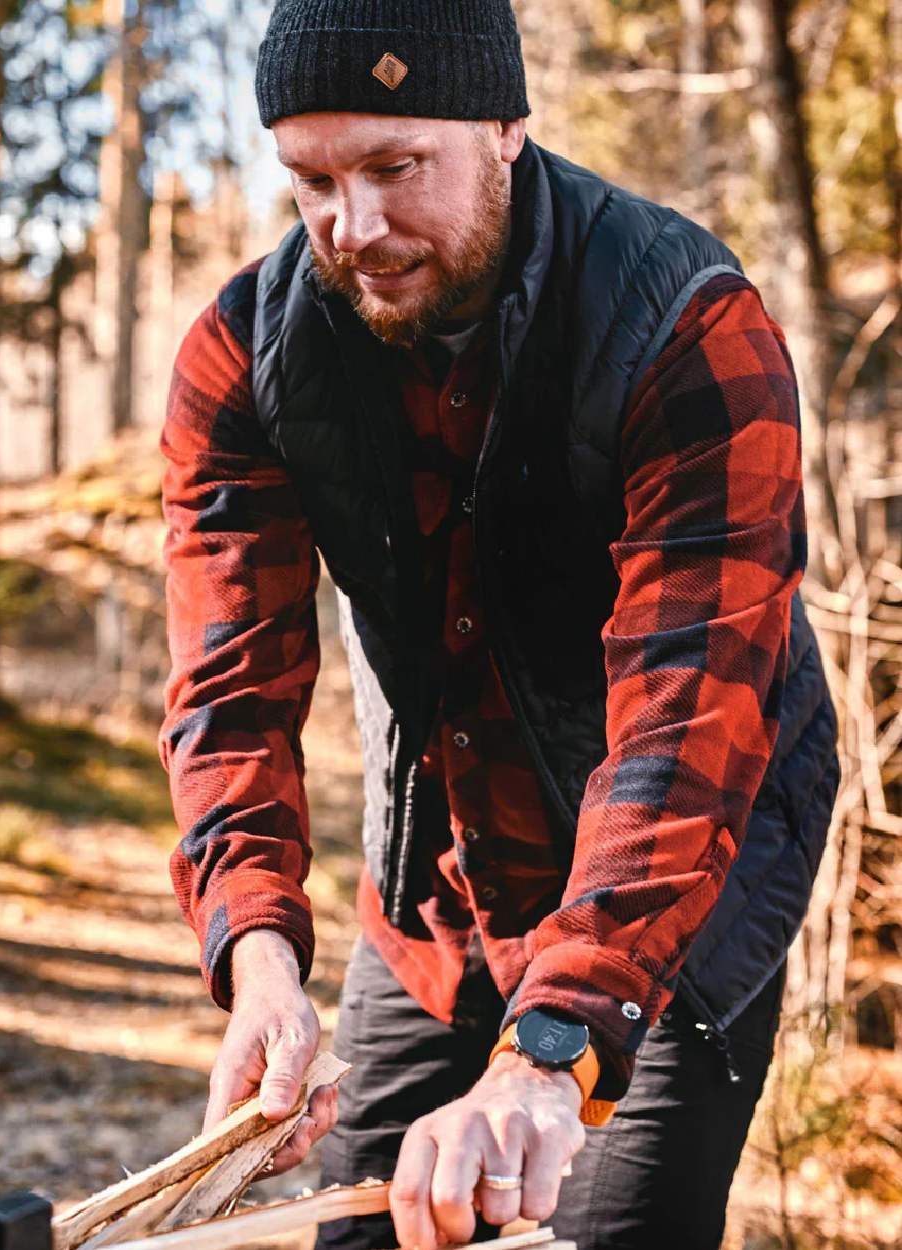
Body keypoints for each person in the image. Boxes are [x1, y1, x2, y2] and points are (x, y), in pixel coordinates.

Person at [157, 2, 840, 1247]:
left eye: (392, 167)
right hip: (434, 900)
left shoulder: (688, 325)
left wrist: (550, 1049)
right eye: (311, 178)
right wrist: (255, 947)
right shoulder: (240, 356)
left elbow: (686, 718)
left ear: (505, 124)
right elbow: (228, 686)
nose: (351, 227)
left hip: (672, 897)